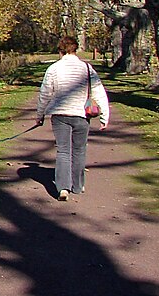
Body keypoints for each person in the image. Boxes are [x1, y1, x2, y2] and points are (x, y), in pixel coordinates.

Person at [35, 35, 110, 201]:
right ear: (75, 49)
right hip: (81, 115)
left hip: (60, 115)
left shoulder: (53, 69)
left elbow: (45, 95)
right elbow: (99, 92)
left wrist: (39, 115)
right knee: (79, 150)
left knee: (63, 150)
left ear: (60, 50)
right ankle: (77, 185)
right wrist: (105, 116)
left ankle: (63, 188)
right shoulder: (87, 68)